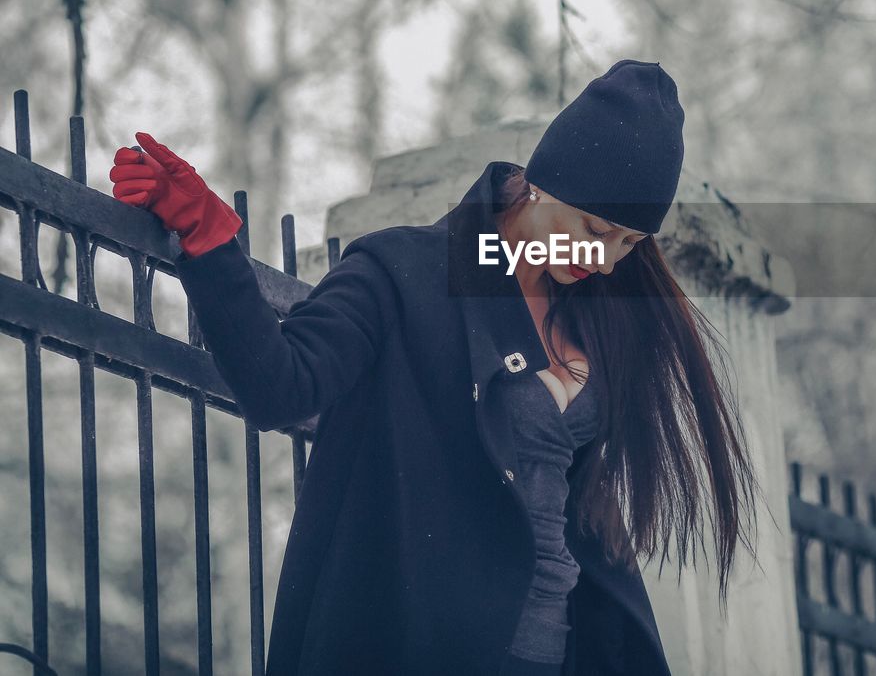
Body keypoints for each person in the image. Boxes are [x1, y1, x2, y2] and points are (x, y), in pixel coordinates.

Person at [109, 59, 761, 676]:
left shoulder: (596, 317)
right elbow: (282, 384)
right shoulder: (403, 273)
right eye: (593, 228)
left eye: (629, 243)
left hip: (558, 652)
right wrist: (208, 238)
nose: (607, 258)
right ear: (541, 183)